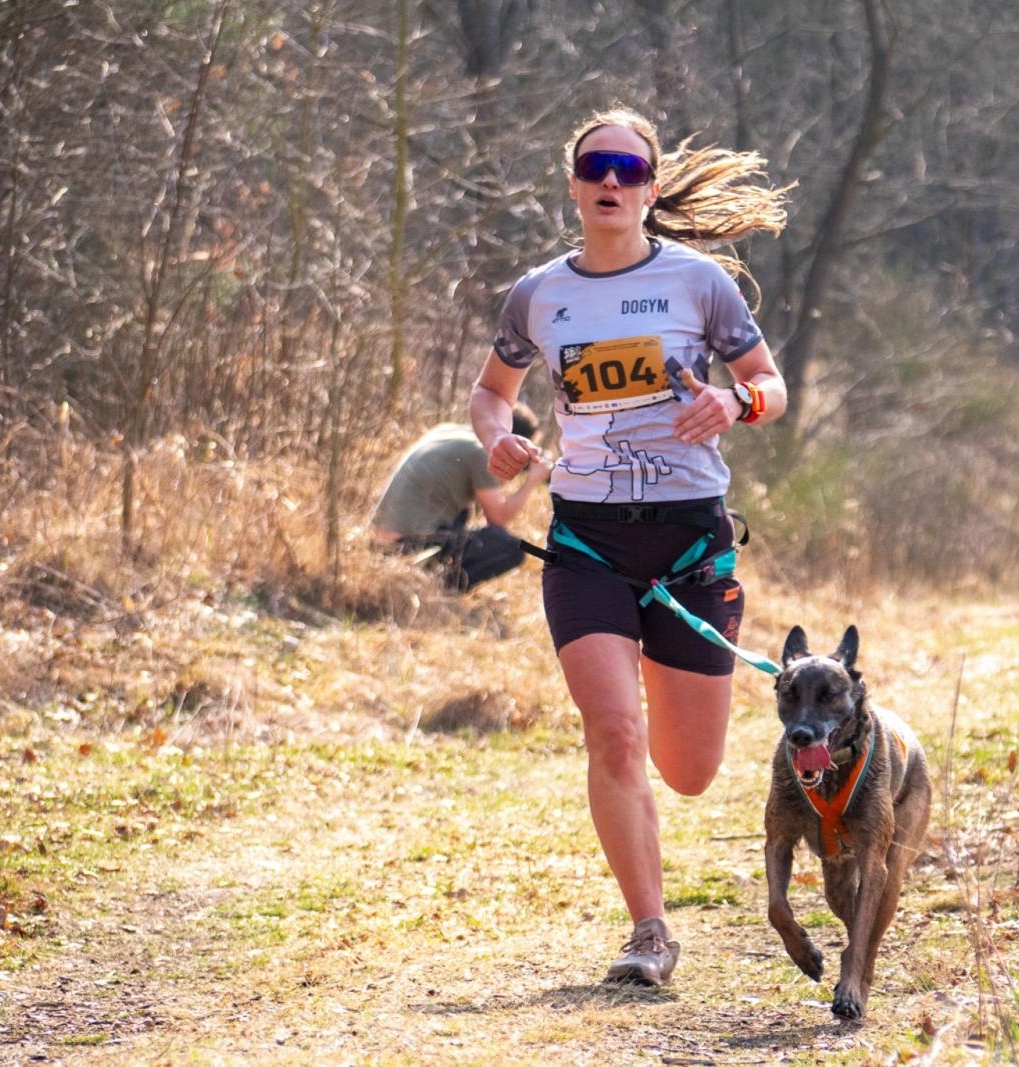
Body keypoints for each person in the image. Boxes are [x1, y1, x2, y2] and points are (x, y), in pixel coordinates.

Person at [470, 106, 789, 985]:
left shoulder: (698, 284)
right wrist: (496, 437)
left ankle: (665, 677)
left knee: (688, 770)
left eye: (628, 170)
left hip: (690, 537)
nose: (611, 182)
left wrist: (734, 403)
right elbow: (492, 392)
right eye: (595, 167)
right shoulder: (539, 293)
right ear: (574, 183)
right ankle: (649, 930)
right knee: (613, 732)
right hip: (588, 543)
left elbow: (771, 384)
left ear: (650, 189)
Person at [370, 405, 550, 591]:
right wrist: (532, 481)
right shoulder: (481, 451)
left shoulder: (447, 430)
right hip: (407, 545)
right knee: (512, 547)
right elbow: (498, 519)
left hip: (379, 542)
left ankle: (430, 580)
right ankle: (440, 589)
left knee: (462, 513)